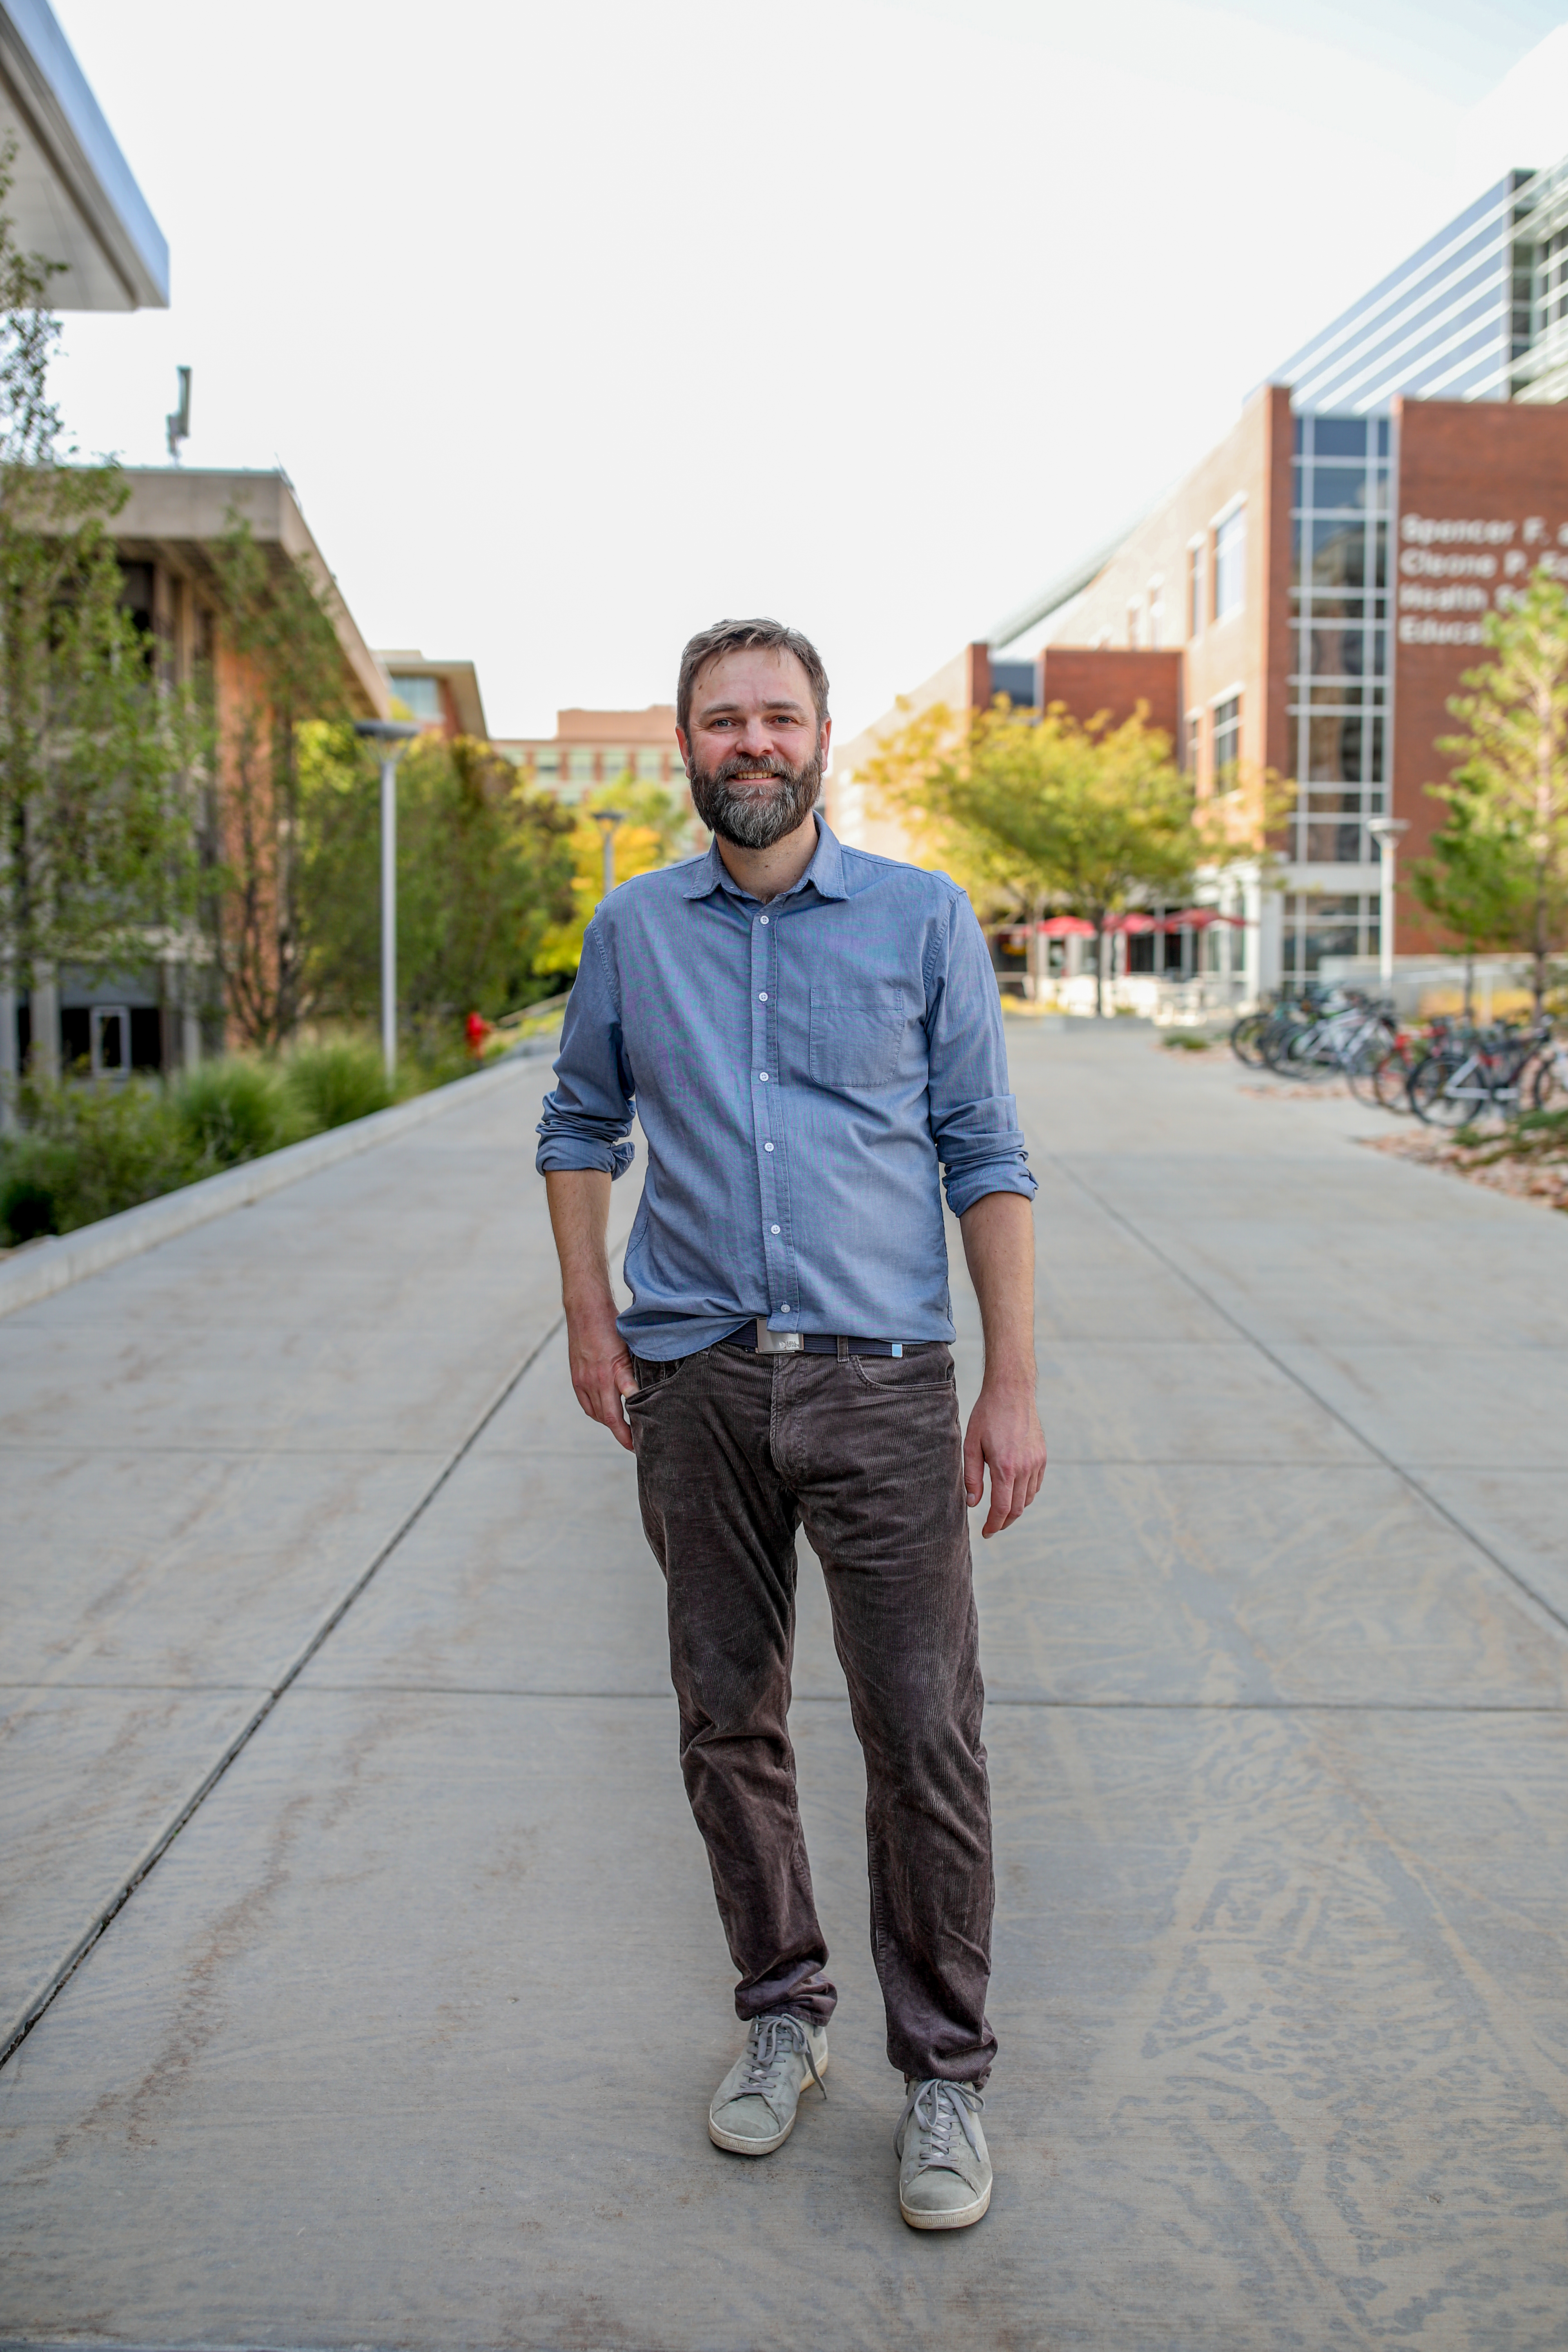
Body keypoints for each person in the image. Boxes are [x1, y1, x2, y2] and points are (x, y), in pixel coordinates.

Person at [537, 618, 1045, 2231]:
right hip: (698, 1384)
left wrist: (1009, 1381)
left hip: (884, 1377)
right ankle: (781, 2018)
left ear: (822, 738)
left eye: (775, 718)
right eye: (719, 723)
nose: (749, 745)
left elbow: (983, 1148)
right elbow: (577, 1123)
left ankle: (945, 2077)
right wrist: (588, 1316)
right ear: (685, 749)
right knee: (725, 1723)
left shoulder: (920, 920)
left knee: (922, 1733)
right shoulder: (632, 931)